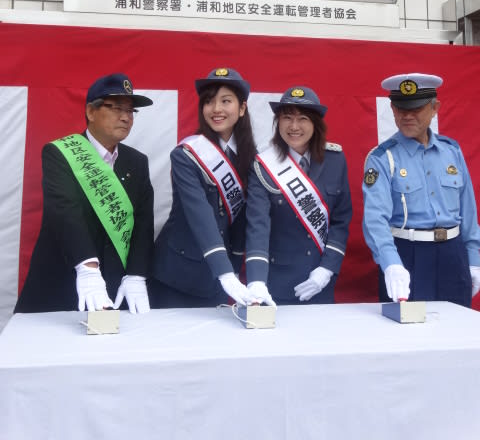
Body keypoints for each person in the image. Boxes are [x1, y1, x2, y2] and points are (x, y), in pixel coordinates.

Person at [15, 73, 155, 314]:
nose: (125, 117)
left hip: (115, 285)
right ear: (91, 112)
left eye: (131, 111)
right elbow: (65, 212)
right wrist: (88, 269)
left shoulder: (137, 162)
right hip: (65, 279)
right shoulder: (60, 153)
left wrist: (136, 275)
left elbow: (143, 224)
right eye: (116, 108)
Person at [362, 73, 480, 306]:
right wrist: (391, 263)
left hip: (453, 255)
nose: (407, 116)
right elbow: (375, 219)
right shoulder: (382, 158)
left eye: (415, 109)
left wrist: (474, 258)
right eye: (400, 109)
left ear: (435, 107)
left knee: (457, 333)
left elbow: (468, 212)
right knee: (410, 336)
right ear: (393, 109)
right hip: (408, 257)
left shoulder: (451, 151)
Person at [149, 67, 257, 307]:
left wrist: (235, 266)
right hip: (177, 273)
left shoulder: (252, 159)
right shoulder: (187, 155)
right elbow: (199, 213)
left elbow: (243, 221)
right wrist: (224, 271)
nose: (216, 109)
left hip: (218, 278)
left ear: (241, 108)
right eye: (209, 101)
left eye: (225, 101)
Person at [244, 86, 352, 306]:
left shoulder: (335, 160)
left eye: (303, 118)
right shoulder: (263, 166)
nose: (294, 126)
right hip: (276, 283)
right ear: (277, 123)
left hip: (320, 282)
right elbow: (258, 226)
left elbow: (341, 220)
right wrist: (256, 280)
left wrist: (327, 269)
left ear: (315, 124)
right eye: (287, 118)